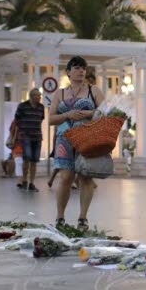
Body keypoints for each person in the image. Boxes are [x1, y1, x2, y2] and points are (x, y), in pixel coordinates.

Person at [51, 56, 109, 228]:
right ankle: (60, 217)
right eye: (76, 68)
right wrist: (67, 115)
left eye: (83, 68)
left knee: (86, 177)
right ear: (68, 72)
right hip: (64, 140)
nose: (81, 71)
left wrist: (90, 113)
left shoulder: (94, 90)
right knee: (65, 177)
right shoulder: (60, 93)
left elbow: (107, 113)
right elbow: (51, 119)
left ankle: (83, 218)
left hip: (87, 138)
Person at [14, 88, 45, 192]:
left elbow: (41, 119)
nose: (40, 97)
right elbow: (17, 119)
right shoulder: (22, 106)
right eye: (38, 95)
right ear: (32, 96)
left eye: (40, 95)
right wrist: (23, 131)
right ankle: (24, 181)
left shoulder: (41, 107)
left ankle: (31, 183)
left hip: (37, 137)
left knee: (34, 161)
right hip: (26, 137)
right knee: (26, 159)